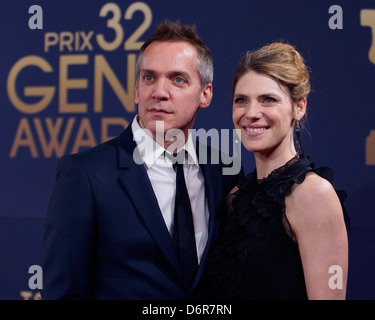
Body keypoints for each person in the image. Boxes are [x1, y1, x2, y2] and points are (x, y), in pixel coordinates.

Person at [42, 20, 242, 300]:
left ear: (205, 94)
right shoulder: (86, 174)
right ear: (136, 90)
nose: (159, 92)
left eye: (178, 79)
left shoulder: (225, 172)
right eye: (149, 78)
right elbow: (65, 292)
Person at [201, 42, 350, 300]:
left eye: (268, 100)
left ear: (299, 107)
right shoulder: (236, 197)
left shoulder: (314, 196)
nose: (251, 113)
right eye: (241, 101)